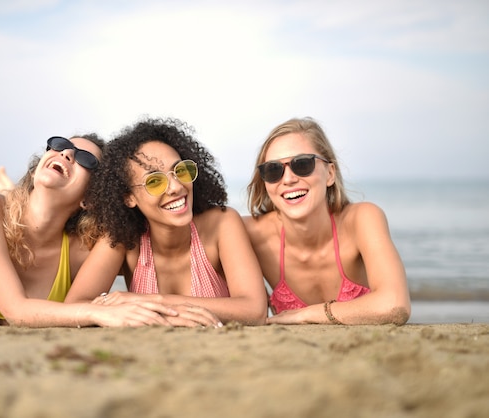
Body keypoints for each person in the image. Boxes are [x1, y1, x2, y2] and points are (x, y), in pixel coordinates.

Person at [0, 134, 181, 328]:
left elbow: (152, 245)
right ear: (36, 170)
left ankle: (7, 187)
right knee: (7, 202)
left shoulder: (82, 251)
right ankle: (5, 188)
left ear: (90, 198)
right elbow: (15, 311)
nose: (66, 153)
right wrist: (97, 313)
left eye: (85, 159)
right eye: (59, 145)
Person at [66, 117, 268, 326]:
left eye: (180, 170)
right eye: (154, 181)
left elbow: (255, 310)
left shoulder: (222, 223)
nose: (175, 187)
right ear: (129, 197)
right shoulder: (124, 238)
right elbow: (76, 304)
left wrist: (153, 302)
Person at [244, 117, 411, 325]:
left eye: (302, 164)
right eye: (273, 170)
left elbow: (395, 305)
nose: (287, 179)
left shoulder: (362, 219)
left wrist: (306, 315)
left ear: (330, 173)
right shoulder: (251, 234)